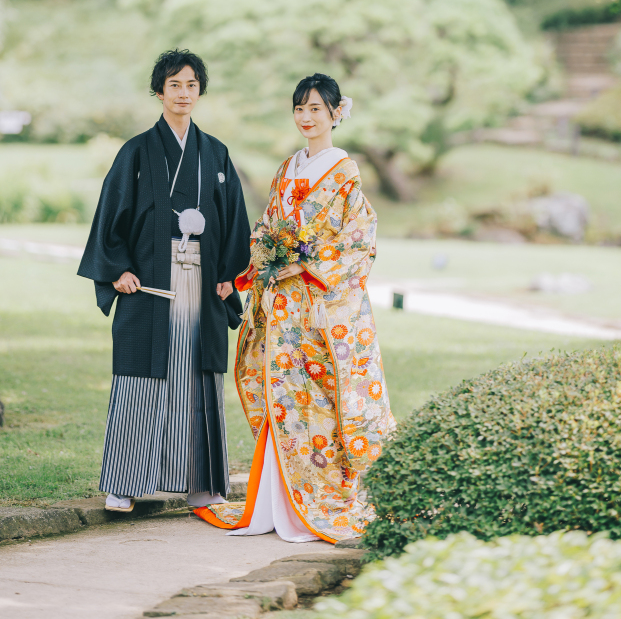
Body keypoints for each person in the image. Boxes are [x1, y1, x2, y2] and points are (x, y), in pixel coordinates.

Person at [195, 72, 394, 543]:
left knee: (320, 395)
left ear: (334, 114)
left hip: (320, 303)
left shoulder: (344, 170)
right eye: (300, 109)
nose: (307, 118)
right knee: (282, 390)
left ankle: (319, 494)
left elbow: (354, 238)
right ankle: (273, 504)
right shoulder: (288, 168)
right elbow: (267, 226)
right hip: (282, 302)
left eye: (316, 110)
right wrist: (256, 269)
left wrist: (304, 265)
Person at [77, 49, 251, 513]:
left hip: (200, 277)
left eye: (191, 84)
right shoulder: (135, 151)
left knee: (196, 376)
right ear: (159, 91)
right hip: (149, 283)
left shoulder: (214, 152)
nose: (183, 93)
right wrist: (118, 270)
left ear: (200, 91)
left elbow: (234, 220)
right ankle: (124, 484)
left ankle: (200, 484)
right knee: (140, 381)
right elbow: (110, 217)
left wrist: (229, 276)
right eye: (174, 84)